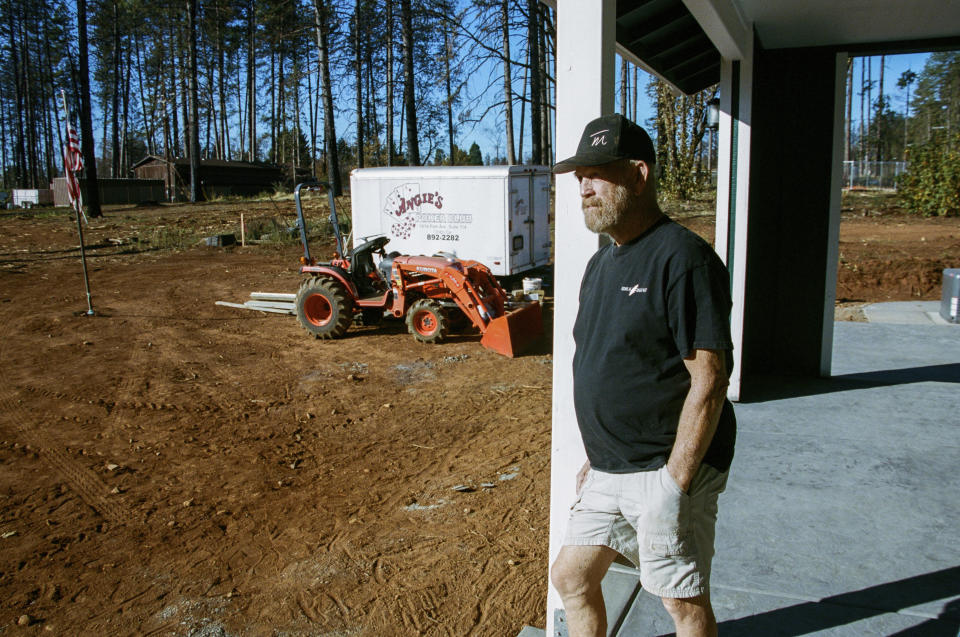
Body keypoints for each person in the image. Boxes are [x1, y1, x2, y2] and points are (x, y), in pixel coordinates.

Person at [550, 113, 736, 637]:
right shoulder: (601, 265)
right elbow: (612, 365)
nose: (583, 187)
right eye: (578, 176)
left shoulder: (684, 258)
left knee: (681, 599)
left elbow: (711, 377)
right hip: (612, 468)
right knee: (571, 576)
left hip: (666, 465)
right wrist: (598, 457)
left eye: (597, 173)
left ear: (638, 175)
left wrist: (675, 481)